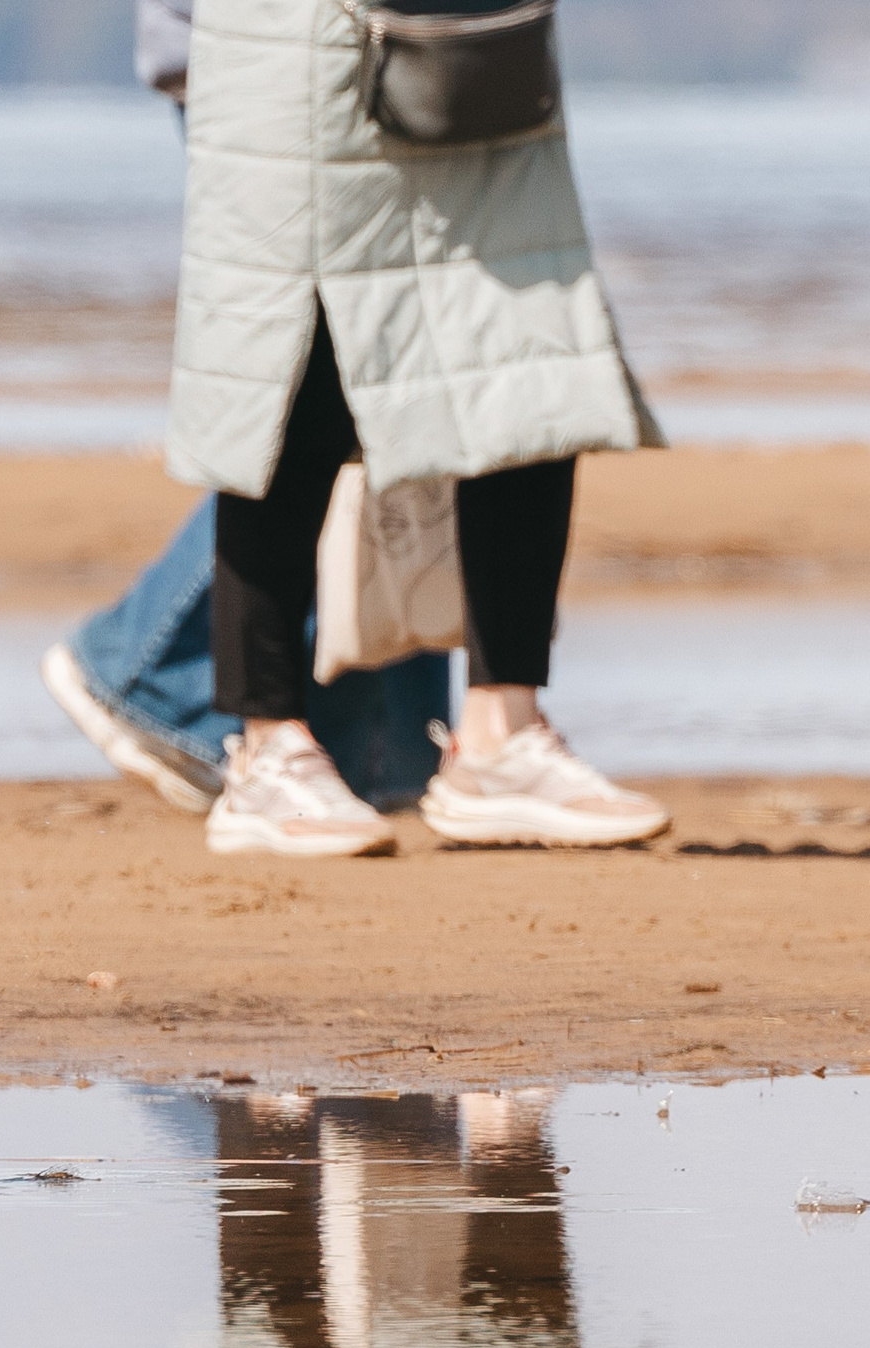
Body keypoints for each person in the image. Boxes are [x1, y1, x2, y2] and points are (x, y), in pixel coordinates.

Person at [169, 0, 670, 857]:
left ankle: (500, 736)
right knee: (290, 372)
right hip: (298, 53)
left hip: (475, 38)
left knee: (528, 356)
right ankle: (266, 749)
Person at [43, 0, 449, 819]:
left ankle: (367, 741)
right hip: (274, 50)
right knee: (323, 379)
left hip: (379, 47)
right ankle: (150, 672)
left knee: (388, 370)